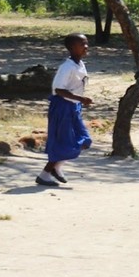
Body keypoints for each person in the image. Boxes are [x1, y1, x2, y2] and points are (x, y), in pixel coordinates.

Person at [35, 33, 93, 187]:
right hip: (62, 106)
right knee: (64, 141)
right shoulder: (67, 67)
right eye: (82, 44)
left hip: (73, 106)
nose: (86, 47)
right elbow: (59, 90)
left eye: (86, 43)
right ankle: (45, 174)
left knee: (84, 139)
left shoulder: (80, 64)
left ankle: (56, 167)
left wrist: (79, 102)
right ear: (71, 48)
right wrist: (81, 99)